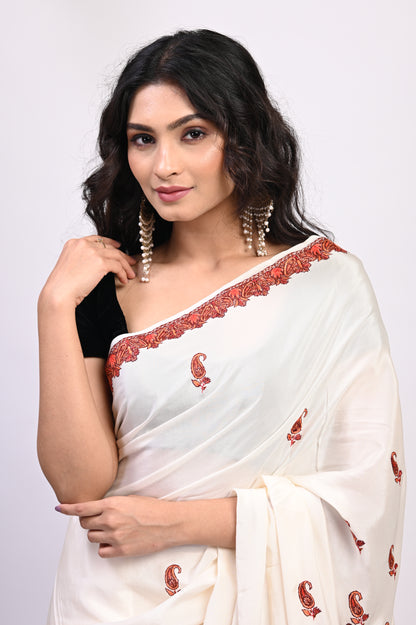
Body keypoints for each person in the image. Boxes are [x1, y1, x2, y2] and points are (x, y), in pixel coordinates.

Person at [37, 29, 405, 625]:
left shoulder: (326, 286)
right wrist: (54, 306)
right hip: (106, 601)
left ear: (245, 136)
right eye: (143, 139)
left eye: (193, 134)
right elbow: (79, 486)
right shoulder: (104, 288)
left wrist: (175, 523)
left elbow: (363, 497)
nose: (164, 166)